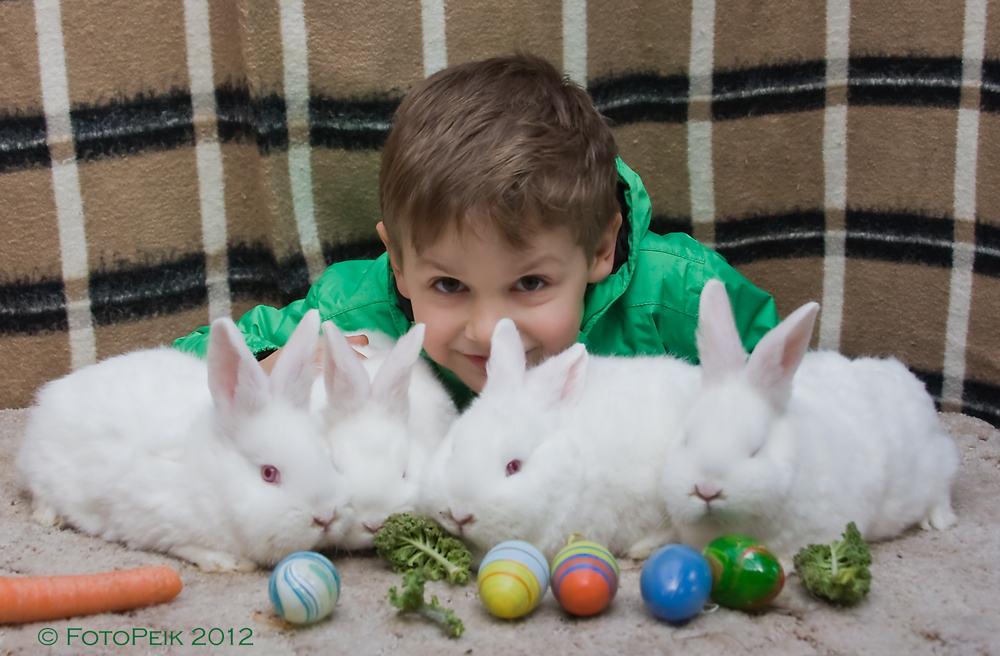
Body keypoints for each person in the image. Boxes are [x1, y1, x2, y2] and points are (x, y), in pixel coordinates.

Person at [174, 53, 778, 409]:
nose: (489, 332)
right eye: (449, 286)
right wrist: (271, 367)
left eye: (531, 282)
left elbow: (786, 388)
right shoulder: (357, 314)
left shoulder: (681, 297)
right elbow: (177, 369)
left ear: (598, 248)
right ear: (401, 266)